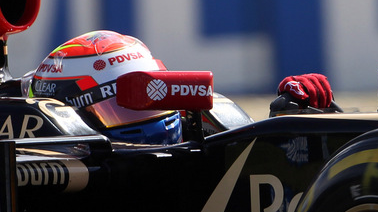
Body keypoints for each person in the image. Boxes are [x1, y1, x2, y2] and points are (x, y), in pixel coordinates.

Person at [28, 30, 333, 144]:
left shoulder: (204, 125)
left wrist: (295, 128)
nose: (152, 122)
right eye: (117, 108)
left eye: (154, 97)